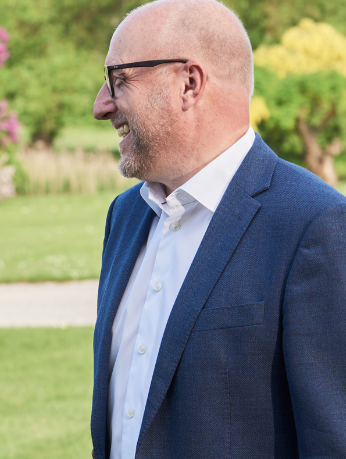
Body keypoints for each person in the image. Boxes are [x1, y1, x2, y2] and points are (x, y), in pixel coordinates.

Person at [89, 0, 346, 458]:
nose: (100, 105)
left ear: (189, 83)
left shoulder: (314, 225)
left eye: (119, 80)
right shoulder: (125, 216)